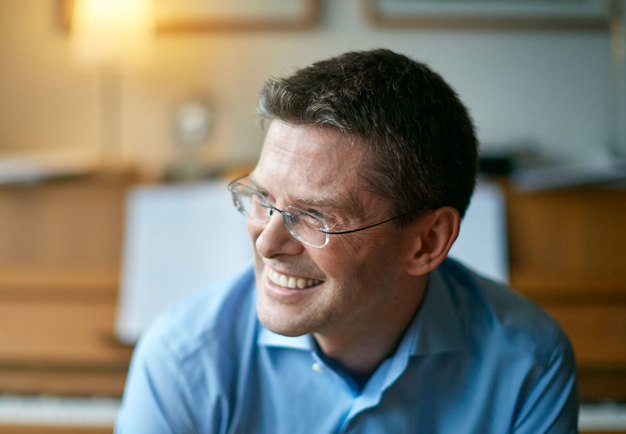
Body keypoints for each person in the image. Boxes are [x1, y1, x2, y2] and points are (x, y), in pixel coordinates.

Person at [115, 49, 578, 433]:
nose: (267, 243)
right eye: (262, 197)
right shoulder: (182, 356)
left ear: (427, 242)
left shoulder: (527, 363)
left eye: (314, 216)